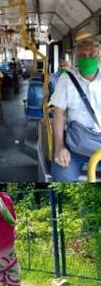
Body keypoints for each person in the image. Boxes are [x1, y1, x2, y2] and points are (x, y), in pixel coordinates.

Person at [50, 40, 101, 181]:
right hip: (76, 145)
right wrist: (59, 147)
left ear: (99, 56)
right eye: (83, 56)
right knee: (62, 175)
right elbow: (59, 114)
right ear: (77, 58)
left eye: (92, 55)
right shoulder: (66, 79)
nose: (87, 58)